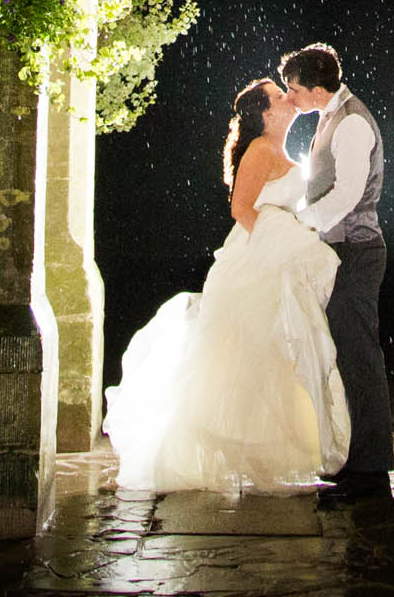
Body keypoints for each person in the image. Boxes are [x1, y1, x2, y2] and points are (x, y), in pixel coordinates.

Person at [101, 79, 351, 494]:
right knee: (241, 355)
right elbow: (241, 208)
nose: (287, 98)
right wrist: (276, 245)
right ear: (266, 113)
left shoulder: (282, 150)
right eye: (278, 95)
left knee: (272, 357)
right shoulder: (259, 150)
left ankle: (266, 452)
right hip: (255, 262)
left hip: (277, 262)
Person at [280, 42, 393, 499]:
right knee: (343, 355)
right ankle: (353, 462)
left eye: (293, 89)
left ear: (315, 87)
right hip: (341, 251)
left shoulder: (351, 123)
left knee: (359, 356)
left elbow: (347, 195)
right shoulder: (331, 117)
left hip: (359, 252)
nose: (290, 98)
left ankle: (371, 473)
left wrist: (301, 224)